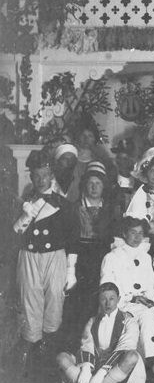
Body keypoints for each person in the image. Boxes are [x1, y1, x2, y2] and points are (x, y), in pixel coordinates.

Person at [12, 149, 78, 365]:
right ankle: (31, 347)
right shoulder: (23, 203)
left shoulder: (65, 205)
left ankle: (49, 348)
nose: (41, 180)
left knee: (54, 301)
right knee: (29, 299)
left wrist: (71, 270)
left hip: (55, 257)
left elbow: (73, 239)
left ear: (52, 176)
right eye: (36, 176)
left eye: (45, 175)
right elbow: (14, 233)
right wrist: (25, 215)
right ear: (31, 177)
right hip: (29, 255)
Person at [64, 161, 121, 345]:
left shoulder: (112, 209)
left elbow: (116, 237)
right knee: (79, 303)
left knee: (101, 299)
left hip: (104, 259)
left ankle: (100, 344)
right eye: (90, 183)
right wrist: (70, 270)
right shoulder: (74, 208)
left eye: (98, 183)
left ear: (104, 186)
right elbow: (70, 240)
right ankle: (76, 345)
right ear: (84, 185)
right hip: (80, 259)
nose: (94, 187)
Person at [56, 282, 146, 383]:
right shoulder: (93, 320)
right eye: (103, 299)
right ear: (99, 300)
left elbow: (126, 346)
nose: (108, 303)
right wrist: (86, 368)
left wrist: (101, 373)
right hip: (96, 361)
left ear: (118, 299)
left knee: (133, 356)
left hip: (118, 365)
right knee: (62, 357)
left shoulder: (129, 320)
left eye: (112, 299)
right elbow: (87, 344)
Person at [99, 216, 154, 368]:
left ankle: (153, 361)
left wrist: (151, 299)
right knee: (145, 319)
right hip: (122, 304)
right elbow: (107, 287)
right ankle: (147, 363)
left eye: (140, 233)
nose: (137, 237)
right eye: (133, 233)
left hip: (144, 304)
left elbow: (151, 284)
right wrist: (131, 298)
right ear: (124, 233)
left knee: (152, 318)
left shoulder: (146, 257)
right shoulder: (112, 257)